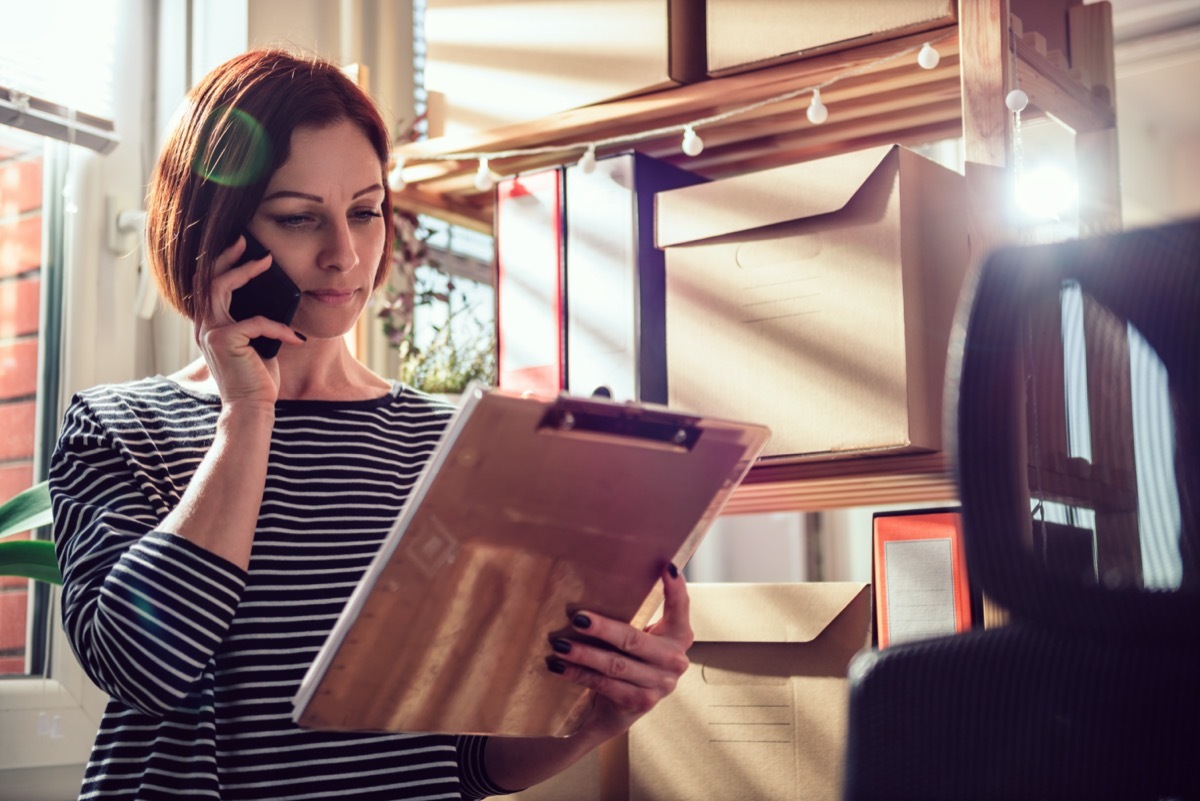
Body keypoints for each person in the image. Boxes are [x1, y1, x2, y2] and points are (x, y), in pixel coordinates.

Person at [49, 47, 693, 800]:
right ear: (213, 230)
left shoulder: (448, 444)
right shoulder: (120, 428)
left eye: (364, 210)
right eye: (299, 219)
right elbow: (142, 667)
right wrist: (248, 414)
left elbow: (460, 758)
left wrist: (599, 718)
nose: (345, 255)